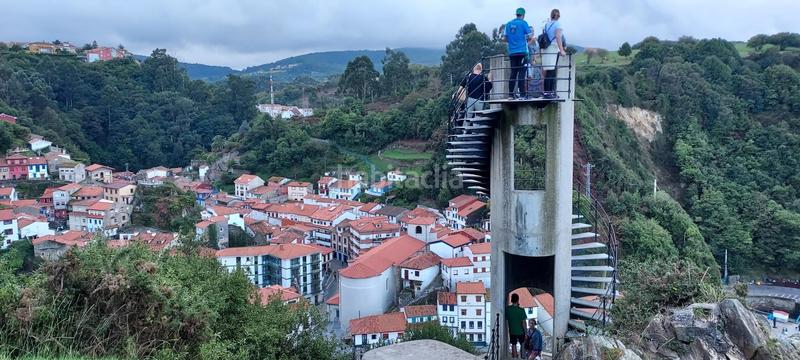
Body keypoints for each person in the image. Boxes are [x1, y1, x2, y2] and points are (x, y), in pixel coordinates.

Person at [504, 8, 532, 99]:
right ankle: (522, 94)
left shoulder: (508, 24)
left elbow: (505, 38)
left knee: (513, 73)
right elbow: (530, 35)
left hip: (512, 52)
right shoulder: (523, 23)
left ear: (516, 14)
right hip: (522, 52)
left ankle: (510, 94)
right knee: (521, 73)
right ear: (523, 15)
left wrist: (512, 42)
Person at [541, 9, 567, 99]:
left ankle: (547, 92)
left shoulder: (546, 24)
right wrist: (562, 50)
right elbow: (558, 37)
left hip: (546, 48)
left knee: (548, 71)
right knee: (552, 71)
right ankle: (549, 92)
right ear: (558, 16)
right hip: (553, 48)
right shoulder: (558, 24)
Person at [506, 293, 527, 359]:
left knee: (514, 344)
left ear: (511, 300)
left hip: (512, 331)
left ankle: (515, 358)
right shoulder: (521, 310)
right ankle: (522, 357)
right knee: (522, 344)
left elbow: (507, 319)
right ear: (518, 300)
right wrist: (526, 333)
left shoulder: (508, 309)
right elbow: (524, 323)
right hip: (521, 331)